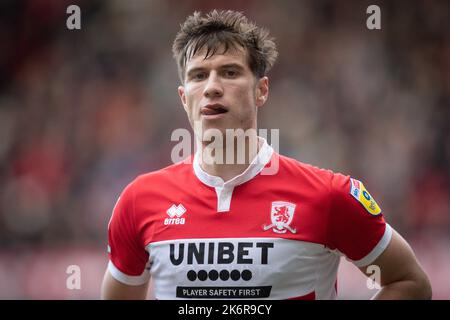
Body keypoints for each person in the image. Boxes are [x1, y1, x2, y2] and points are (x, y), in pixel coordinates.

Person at [101, 10, 431, 300]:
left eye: (229, 72)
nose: (212, 87)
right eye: (199, 75)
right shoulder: (138, 201)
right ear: (184, 97)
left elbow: (409, 281)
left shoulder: (329, 196)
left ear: (261, 90)